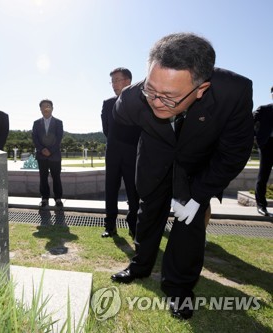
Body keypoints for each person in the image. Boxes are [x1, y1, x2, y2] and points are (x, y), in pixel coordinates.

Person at [110, 33, 253, 320]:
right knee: (148, 215)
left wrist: (200, 194)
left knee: (190, 226)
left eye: (170, 97)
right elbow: (124, 124)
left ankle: (179, 288)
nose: (156, 102)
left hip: (197, 164)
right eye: (151, 90)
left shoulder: (233, 93)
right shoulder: (130, 101)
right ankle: (139, 266)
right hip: (154, 160)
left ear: (202, 89)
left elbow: (235, 153)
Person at [101, 67, 141, 239]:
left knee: (134, 193)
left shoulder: (140, 101)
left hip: (133, 155)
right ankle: (110, 227)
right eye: (112, 81)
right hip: (113, 155)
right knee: (110, 191)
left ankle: (134, 227)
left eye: (117, 80)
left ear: (128, 81)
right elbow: (106, 130)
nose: (114, 84)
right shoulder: (107, 103)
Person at [32, 99, 64, 208]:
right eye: (43, 106)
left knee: (56, 177)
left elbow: (59, 138)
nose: (46, 108)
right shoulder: (36, 123)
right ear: (40, 109)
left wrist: (50, 150)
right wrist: (42, 149)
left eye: (48, 106)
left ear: (52, 108)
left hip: (54, 155)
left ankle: (58, 198)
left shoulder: (58, 123)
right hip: (41, 155)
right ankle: (44, 198)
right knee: (43, 178)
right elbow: (35, 138)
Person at [252, 86, 273, 216]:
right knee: (263, 176)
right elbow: (248, 121)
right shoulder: (265, 109)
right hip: (268, 145)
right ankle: (261, 206)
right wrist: (255, 136)